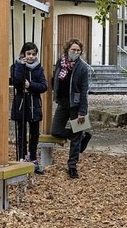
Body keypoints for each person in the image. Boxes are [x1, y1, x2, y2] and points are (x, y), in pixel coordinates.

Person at [51, 38, 92, 179]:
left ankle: (72, 166)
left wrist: (82, 112)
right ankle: (83, 135)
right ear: (67, 49)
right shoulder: (60, 63)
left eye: (78, 50)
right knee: (56, 131)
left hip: (76, 105)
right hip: (62, 103)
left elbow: (84, 91)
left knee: (76, 137)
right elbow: (55, 80)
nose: (75, 52)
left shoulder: (82, 68)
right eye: (73, 49)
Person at [10, 42, 48, 175]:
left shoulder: (39, 68)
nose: (31, 57)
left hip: (34, 104)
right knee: (21, 133)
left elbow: (44, 86)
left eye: (33, 54)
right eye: (28, 54)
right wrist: (21, 65)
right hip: (21, 103)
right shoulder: (16, 66)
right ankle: (22, 156)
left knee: (34, 133)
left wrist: (30, 85)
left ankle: (33, 158)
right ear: (23, 54)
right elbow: (16, 81)